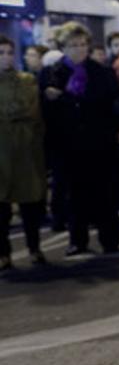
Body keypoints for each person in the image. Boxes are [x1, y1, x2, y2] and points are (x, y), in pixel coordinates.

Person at [41, 22, 119, 255]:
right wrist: (51, 100)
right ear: (63, 47)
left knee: (104, 193)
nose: (78, 49)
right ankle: (78, 240)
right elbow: (44, 111)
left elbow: (113, 104)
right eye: (72, 45)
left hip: (99, 142)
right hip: (67, 145)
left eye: (82, 44)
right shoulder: (52, 73)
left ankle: (110, 240)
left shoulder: (101, 72)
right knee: (73, 195)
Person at [0, 35, 47, 270]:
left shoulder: (26, 80)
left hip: (25, 150)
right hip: (2, 152)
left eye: (9, 52)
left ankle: (34, 247)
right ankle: (4, 253)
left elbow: (30, 109)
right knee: (1, 209)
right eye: (1, 53)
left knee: (30, 206)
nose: (6, 57)